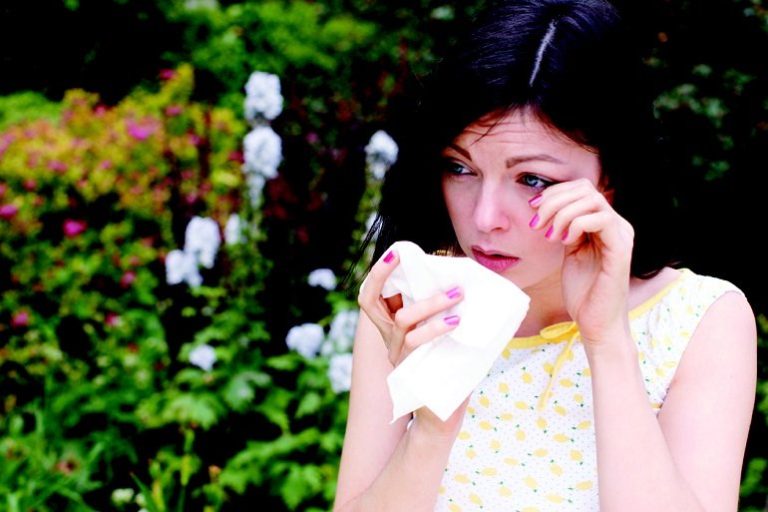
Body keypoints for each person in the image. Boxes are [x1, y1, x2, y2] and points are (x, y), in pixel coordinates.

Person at [333, 0, 757, 510]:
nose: (485, 217)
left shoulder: (699, 321)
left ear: (610, 178)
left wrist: (607, 340)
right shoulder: (417, 302)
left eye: (532, 179)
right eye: (461, 168)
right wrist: (431, 429)